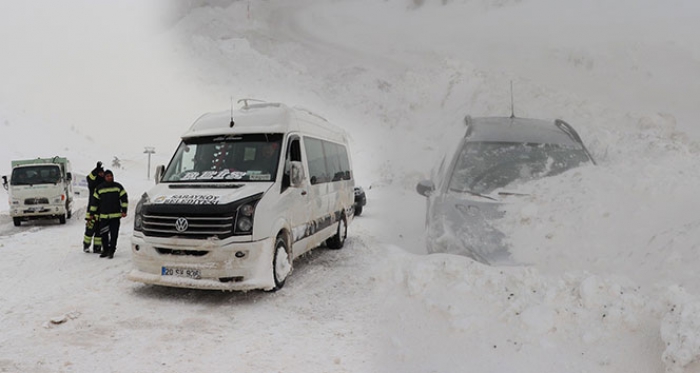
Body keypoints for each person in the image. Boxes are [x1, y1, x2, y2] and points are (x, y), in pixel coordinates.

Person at [87, 170, 128, 259]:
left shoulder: (118, 187)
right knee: (104, 234)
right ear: (104, 177)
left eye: (111, 176)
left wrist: (124, 210)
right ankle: (105, 250)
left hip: (115, 216)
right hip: (104, 217)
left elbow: (124, 198)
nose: (110, 177)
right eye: (108, 176)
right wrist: (91, 214)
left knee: (114, 234)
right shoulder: (99, 188)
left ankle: (111, 251)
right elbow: (94, 202)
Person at [83, 161, 105, 253]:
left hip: (101, 211)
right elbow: (89, 178)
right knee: (89, 230)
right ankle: (86, 246)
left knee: (99, 231)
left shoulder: (104, 185)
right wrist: (96, 170)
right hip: (92, 211)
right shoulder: (93, 185)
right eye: (99, 173)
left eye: (102, 173)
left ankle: (97, 247)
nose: (101, 174)